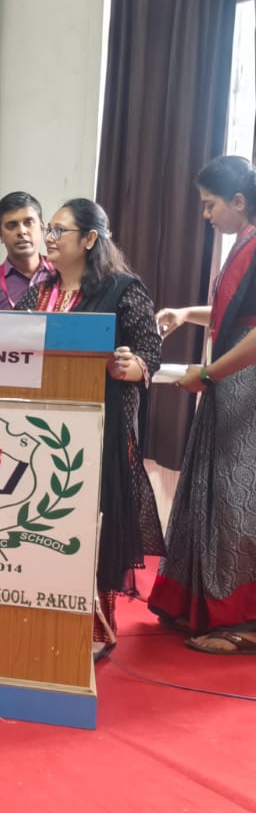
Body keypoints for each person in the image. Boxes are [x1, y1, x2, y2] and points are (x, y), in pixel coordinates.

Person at [14, 198, 161, 661]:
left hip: (99, 432)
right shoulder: (39, 292)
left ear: (91, 239)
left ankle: (95, 627)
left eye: (60, 230)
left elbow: (149, 351)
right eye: (49, 229)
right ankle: (38, 616)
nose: (49, 238)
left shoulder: (123, 290)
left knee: (90, 525)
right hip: (38, 431)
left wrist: (133, 366)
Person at [147, 155, 256, 654]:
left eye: (211, 205)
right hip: (233, 387)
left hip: (244, 391)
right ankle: (204, 606)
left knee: (237, 503)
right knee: (216, 496)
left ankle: (244, 622)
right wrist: (186, 313)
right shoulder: (244, 244)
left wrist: (208, 374)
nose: (206, 215)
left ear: (239, 201)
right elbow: (235, 315)